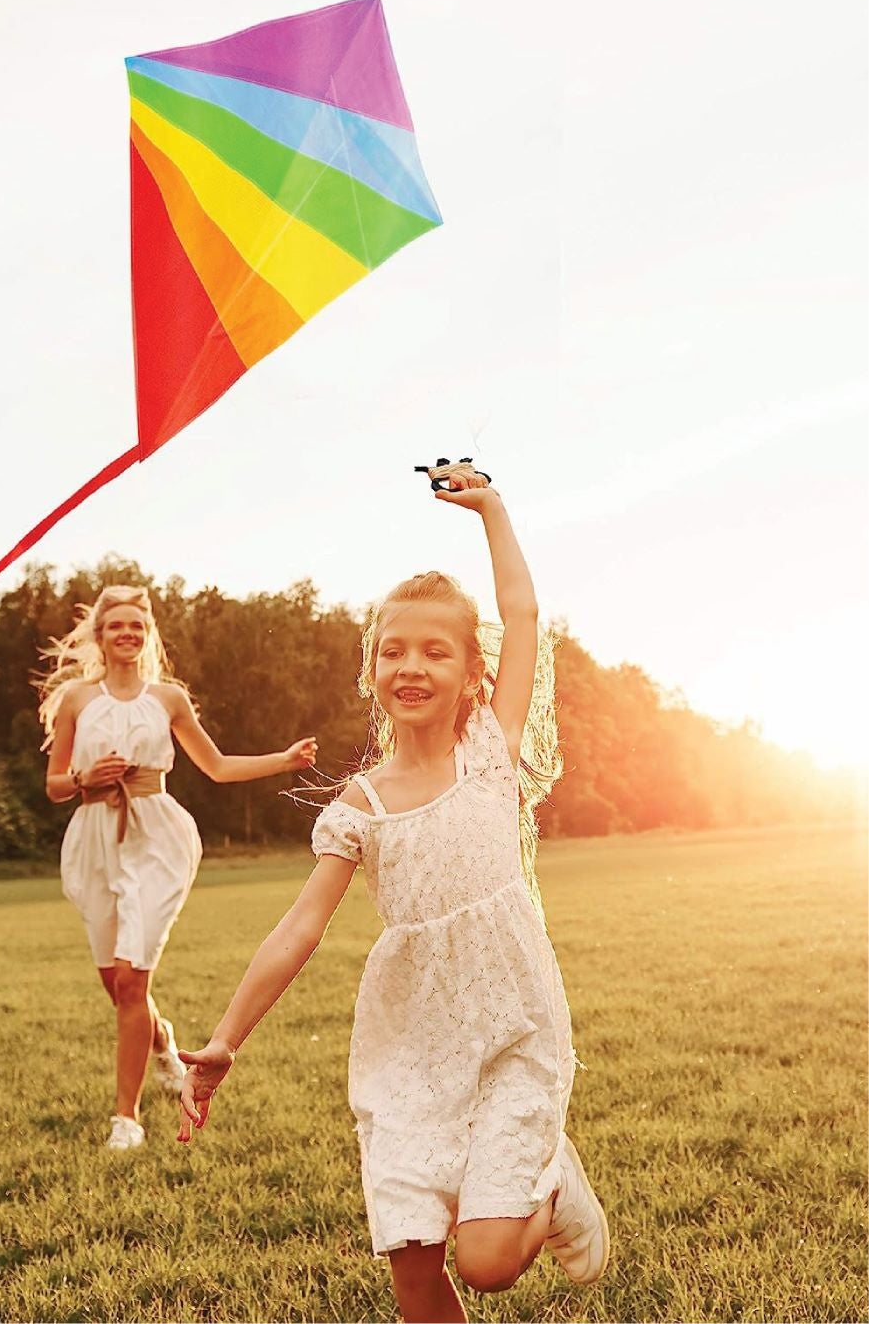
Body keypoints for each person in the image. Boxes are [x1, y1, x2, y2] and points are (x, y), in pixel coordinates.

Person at [176, 469, 609, 1323]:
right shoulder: (359, 806)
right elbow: (300, 925)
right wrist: (225, 1038)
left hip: (512, 1027)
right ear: (371, 668)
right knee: (412, 1257)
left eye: (434, 650)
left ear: (471, 672)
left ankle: (552, 1182)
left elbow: (521, 614)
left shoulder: (491, 751)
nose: (410, 665)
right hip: (409, 1041)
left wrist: (491, 510)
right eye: (392, 649)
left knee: (484, 1262)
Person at [40, 583, 318, 1151]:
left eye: (136, 626)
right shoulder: (75, 700)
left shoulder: (167, 699)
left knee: (132, 978)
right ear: (100, 636)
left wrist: (283, 760)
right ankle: (162, 1043)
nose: (127, 633)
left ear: (147, 636)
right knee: (117, 986)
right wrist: (84, 780)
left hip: (156, 840)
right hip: (94, 837)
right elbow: (52, 785)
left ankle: (128, 1119)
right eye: (116, 625)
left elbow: (215, 767)